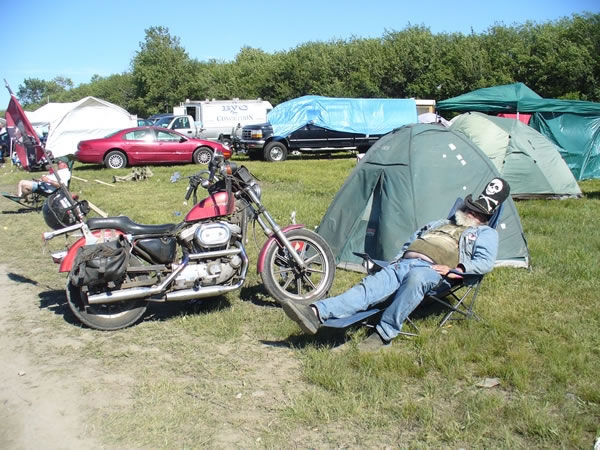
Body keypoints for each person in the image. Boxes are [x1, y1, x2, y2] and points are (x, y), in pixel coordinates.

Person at [279, 178, 511, 351]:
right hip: (404, 264)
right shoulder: (440, 223)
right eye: (470, 207)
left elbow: (484, 262)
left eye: (478, 213)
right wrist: (398, 260)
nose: (471, 213)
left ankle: (383, 334)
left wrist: (456, 270)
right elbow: (412, 241)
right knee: (369, 288)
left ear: (484, 219)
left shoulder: (484, 234)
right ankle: (315, 312)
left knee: (416, 279)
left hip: (434, 272)